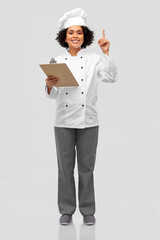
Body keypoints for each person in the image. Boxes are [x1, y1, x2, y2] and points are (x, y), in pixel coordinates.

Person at [45, 8, 118, 225]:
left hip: (89, 121)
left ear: (84, 36)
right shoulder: (56, 60)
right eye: (71, 32)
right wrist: (49, 86)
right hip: (63, 121)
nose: (75, 36)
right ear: (64, 37)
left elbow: (111, 77)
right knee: (65, 169)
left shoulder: (95, 59)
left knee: (87, 169)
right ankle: (66, 210)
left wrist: (106, 52)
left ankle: (87, 210)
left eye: (79, 32)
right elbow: (53, 95)